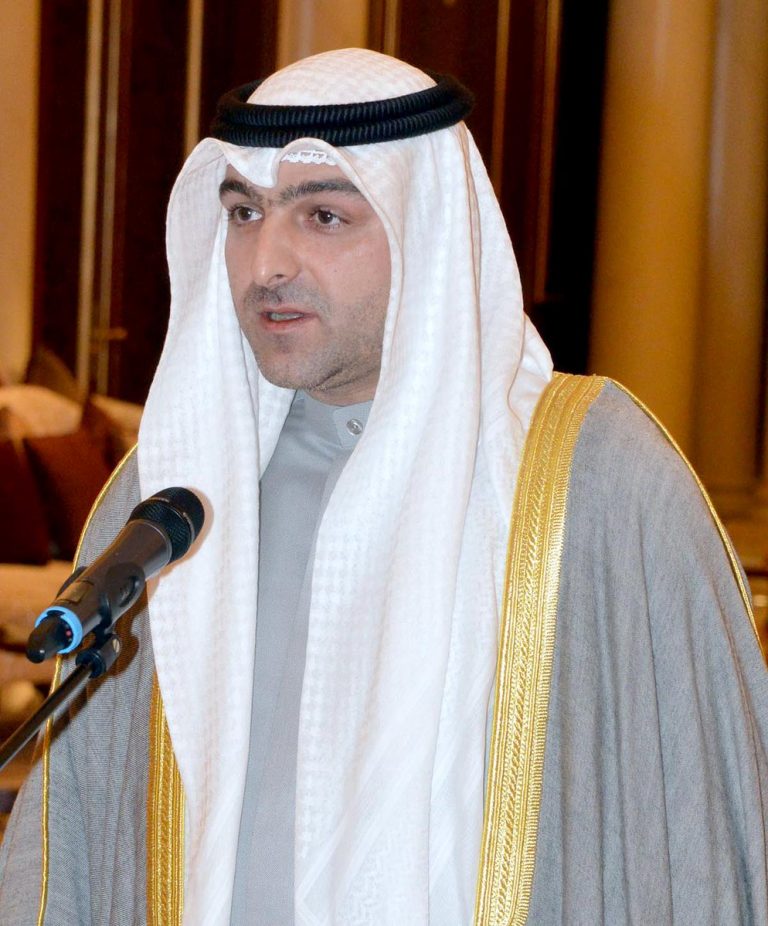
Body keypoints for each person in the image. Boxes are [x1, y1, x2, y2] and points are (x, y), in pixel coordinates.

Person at [1, 47, 767, 926]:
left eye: (323, 215)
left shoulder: (596, 479)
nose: (265, 263)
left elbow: (698, 831)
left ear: (424, 229)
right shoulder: (169, 498)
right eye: (244, 213)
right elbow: (76, 836)